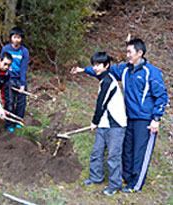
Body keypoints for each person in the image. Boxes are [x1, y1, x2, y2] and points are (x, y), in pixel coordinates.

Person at [81, 39, 169, 193]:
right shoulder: (125, 69)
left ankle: (135, 185)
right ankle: (125, 178)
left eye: (130, 52)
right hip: (129, 118)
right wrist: (84, 70)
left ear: (140, 53)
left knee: (139, 153)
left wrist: (156, 119)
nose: (127, 55)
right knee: (126, 151)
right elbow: (103, 70)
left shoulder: (151, 72)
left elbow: (162, 96)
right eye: (127, 51)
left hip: (145, 119)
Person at [71, 52, 127, 196]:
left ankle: (115, 185)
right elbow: (94, 73)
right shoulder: (102, 77)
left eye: (98, 65)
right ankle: (96, 177)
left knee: (113, 156)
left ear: (106, 65)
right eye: (94, 65)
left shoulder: (108, 81)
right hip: (105, 122)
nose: (95, 68)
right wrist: (82, 70)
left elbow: (101, 103)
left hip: (116, 124)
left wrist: (94, 121)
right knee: (97, 151)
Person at [0, 26, 29, 132]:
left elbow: (23, 68)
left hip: (20, 78)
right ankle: (9, 122)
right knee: (10, 101)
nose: (16, 39)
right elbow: (2, 65)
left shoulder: (24, 51)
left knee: (21, 101)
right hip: (9, 78)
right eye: (14, 37)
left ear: (21, 39)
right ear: (11, 38)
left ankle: (18, 120)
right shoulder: (6, 49)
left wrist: (22, 83)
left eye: (19, 38)